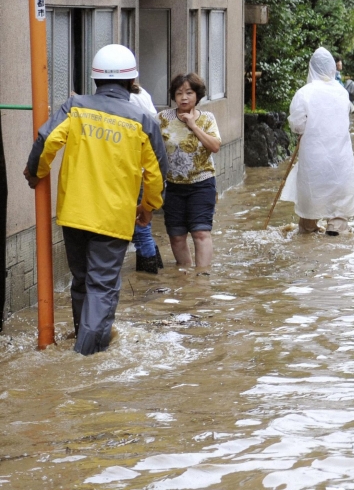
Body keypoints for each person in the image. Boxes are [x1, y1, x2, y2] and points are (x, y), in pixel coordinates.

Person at [23, 44, 165, 355]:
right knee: (101, 287)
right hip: (112, 219)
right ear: (131, 82)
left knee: (82, 281)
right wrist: (147, 207)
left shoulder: (75, 107)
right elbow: (156, 174)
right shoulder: (143, 120)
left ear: (95, 80)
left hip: (73, 213)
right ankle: (84, 358)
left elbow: (47, 139)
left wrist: (36, 171)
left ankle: (83, 341)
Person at [281, 48, 354, 236]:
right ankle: (336, 226)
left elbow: (297, 124)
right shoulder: (342, 93)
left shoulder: (304, 93)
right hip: (340, 154)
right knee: (338, 189)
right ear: (332, 68)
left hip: (314, 154)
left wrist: (303, 131)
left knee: (312, 191)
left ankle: (309, 226)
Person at [158, 73, 222, 269]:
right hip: (173, 185)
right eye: (179, 93)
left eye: (188, 93)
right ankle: (184, 277)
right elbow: (152, 147)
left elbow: (215, 146)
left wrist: (193, 126)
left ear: (197, 95)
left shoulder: (207, 118)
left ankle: (202, 278)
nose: (183, 97)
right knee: (176, 235)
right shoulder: (163, 118)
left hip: (202, 183)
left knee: (201, 232)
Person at [129, 78, 165, 274]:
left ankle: (148, 279)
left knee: (140, 229)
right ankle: (153, 274)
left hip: (135, 171)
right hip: (144, 169)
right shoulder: (142, 93)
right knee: (143, 228)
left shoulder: (129, 100)